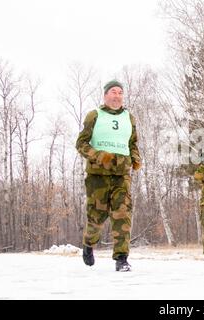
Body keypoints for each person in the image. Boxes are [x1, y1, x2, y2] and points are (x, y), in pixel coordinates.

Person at [76, 80, 142, 272]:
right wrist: (100, 156)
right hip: (98, 176)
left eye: (120, 92)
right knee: (96, 217)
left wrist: (135, 158)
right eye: (113, 92)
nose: (117, 95)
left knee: (122, 214)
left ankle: (121, 259)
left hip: (122, 174)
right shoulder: (94, 115)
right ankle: (89, 243)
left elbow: (133, 144)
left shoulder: (129, 118)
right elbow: (81, 143)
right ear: (105, 95)